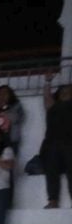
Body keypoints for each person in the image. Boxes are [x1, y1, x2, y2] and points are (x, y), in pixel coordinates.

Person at [42, 78, 72, 209]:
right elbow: (47, 98)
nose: (65, 93)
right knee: (51, 172)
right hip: (52, 143)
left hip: (70, 143)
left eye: (68, 91)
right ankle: (53, 200)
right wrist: (48, 82)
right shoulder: (53, 106)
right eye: (63, 91)